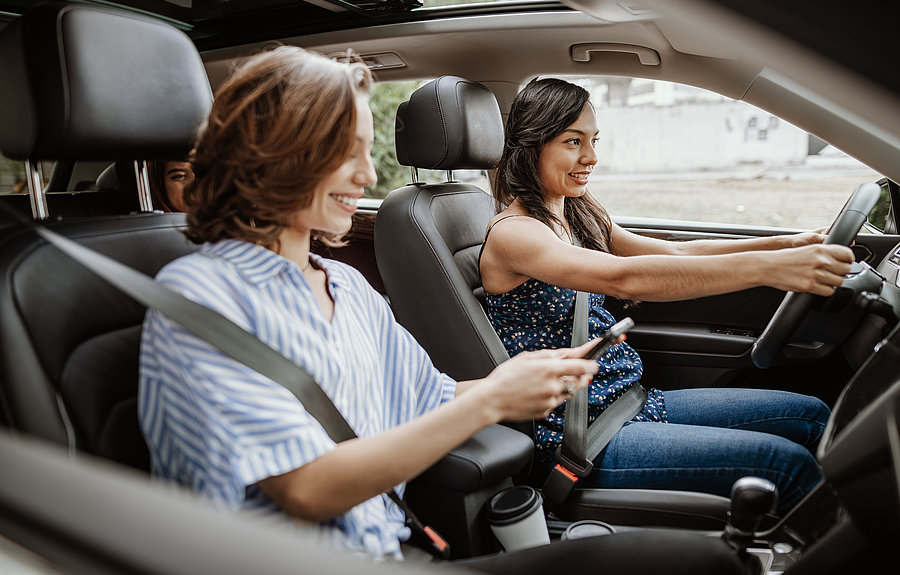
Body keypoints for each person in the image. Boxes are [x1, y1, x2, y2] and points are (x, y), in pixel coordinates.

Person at [138, 47, 754, 573]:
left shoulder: (346, 288)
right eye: (344, 152)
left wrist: (518, 384)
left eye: (366, 150)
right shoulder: (199, 297)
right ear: (274, 154)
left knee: (699, 563)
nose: (365, 173)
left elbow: (432, 396)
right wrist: (491, 401)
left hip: (395, 549)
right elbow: (305, 488)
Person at [478, 77, 852, 514]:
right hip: (581, 435)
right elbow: (625, 279)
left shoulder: (573, 212)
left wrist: (786, 245)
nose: (591, 157)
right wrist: (770, 271)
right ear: (531, 146)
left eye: (594, 140)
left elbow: (676, 251)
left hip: (632, 401)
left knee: (811, 415)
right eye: (573, 142)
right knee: (785, 465)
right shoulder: (514, 234)